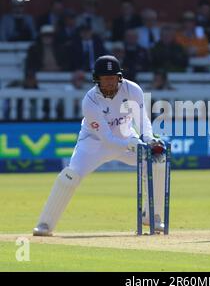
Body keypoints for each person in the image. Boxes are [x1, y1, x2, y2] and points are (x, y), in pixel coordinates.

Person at [33, 55, 167, 236]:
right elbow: (107, 139)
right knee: (70, 176)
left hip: (127, 138)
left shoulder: (132, 89)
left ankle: (152, 217)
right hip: (93, 145)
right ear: (97, 79)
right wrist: (132, 144)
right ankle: (45, 225)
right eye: (106, 80)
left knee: (157, 162)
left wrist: (149, 140)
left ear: (119, 78)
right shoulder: (90, 101)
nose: (110, 83)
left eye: (113, 79)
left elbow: (142, 121)